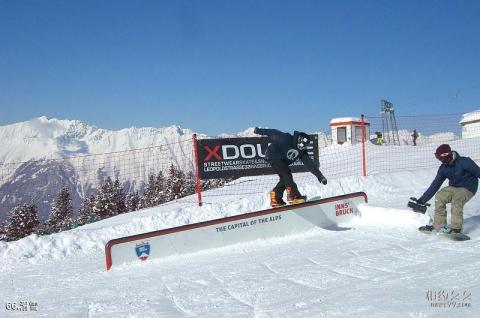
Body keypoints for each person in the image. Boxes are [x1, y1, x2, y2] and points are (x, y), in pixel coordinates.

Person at [254, 127, 328, 207]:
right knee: (287, 175)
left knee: (285, 178)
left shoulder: (301, 150)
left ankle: (275, 197)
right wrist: (258, 131)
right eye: (301, 145)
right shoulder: (286, 138)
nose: (301, 148)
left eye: (303, 147)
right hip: (273, 155)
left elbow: (309, 163)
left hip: (282, 161)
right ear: (299, 140)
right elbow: (272, 132)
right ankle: (293, 196)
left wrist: (320, 176)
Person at [415, 144, 480, 234]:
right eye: (438, 158)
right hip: (454, 187)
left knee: (457, 200)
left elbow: (478, 172)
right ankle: (438, 225)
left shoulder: (464, 162)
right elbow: (435, 185)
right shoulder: (443, 168)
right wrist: (422, 200)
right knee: (440, 196)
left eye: (440, 158)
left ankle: (456, 229)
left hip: (468, 188)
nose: (440, 160)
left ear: (447, 155)